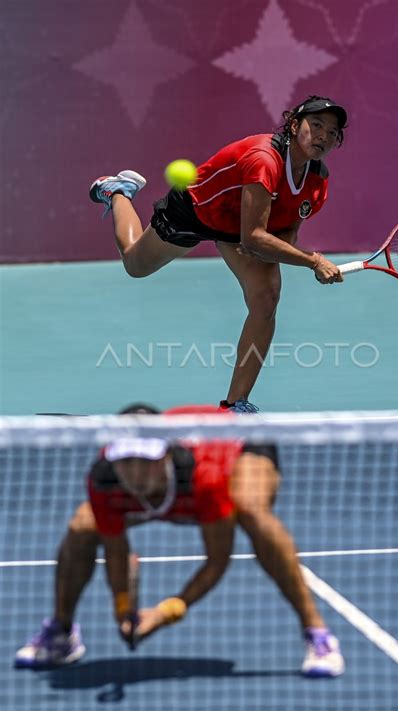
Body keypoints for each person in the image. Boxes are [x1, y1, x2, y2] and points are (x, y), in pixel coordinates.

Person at [15, 404, 344, 678]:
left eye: (146, 461)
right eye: (126, 462)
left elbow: (217, 561)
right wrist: (123, 609)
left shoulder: (206, 478)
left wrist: (166, 612)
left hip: (240, 439)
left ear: (166, 457)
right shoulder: (106, 481)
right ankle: (61, 634)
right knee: (82, 525)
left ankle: (317, 634)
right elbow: (117, 551)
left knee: (250, 508)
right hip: (183, 459)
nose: (135, 474)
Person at [89, 95, 347, 413]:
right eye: (316, 125)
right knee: (134, 263)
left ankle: (235, 404)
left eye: (333, 132)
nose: (323, 135)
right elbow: (254, 238)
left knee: (267, 296)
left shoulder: (317, 180)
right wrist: (314, 261)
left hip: (239, 227)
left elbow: (285, 230)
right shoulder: (264, 159)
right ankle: (117, 192)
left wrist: (268, 251)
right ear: (294, 125)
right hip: (197, 210)